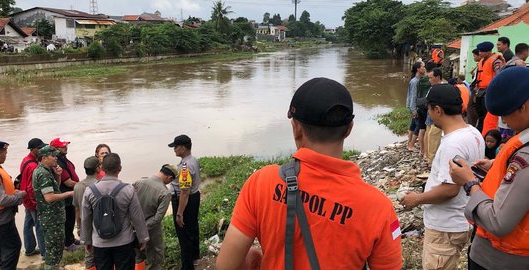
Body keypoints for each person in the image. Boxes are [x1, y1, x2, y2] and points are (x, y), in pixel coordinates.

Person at [216, 78, 402, 270]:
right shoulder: (379, 208)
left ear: (296, 128)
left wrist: (254, 260)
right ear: (349, 129)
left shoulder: (261, 182)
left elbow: (225, 265)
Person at [449, 67, 529, 269]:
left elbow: (498, 222)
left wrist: (470, 184)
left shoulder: (525, 156)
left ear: (524, 106)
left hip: (502, 259)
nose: (504, 122)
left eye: (506, 114)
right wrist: (496, 168)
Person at [401, 84, 484, 269]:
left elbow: (450, 189)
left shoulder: (452, 143)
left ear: (438, 110)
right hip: (460, 220)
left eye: (429, 109)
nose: (428, 114)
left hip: (445, 227)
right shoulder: (473, 132)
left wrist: (417, 199)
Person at [81, 153, 149, 270]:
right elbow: (137, 217)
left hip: (99, 243)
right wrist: (143, 238)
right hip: (124, 242)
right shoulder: (128, 190)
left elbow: (86, 218)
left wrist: (86, 240)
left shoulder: (89, 191)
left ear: (102, 168)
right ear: (120, 168)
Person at [33, 145, 75, 270]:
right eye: (53, 156)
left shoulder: (44, 170)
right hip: (51, 218)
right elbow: (49, 197)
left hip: (52, 217)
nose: (56, 158)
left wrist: (58, 176)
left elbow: (53, 188)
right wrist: (70, 193)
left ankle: (55, 266)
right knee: (53, 248)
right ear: (44, 158)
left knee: (56, 246)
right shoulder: (43, 174)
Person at [0, 141, 25, 270]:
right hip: (0, 218)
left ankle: (2, 266)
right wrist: (20, 196)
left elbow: (1, 192)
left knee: (2, 247)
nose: (6, 156)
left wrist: (14, 192)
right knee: (13, 247)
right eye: (5, 153)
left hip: (0, 217)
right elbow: (1, 200)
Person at [133, 164, 176, 270]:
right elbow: (157, 219)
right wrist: (144, 229)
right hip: (151, 231)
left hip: (132, 228)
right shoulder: (165, 193)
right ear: (169, 178)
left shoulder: (138, 182)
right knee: (155, 258)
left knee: (137, 256)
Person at [168, 135, 202, 270]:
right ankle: (194, 257)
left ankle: (187, 266)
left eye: (175, 147)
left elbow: (184, 192)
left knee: (184, 234)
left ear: (182, 148)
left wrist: (180, 213)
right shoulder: (193, 160)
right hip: (195, 197)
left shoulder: (185, 167)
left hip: (185, 201)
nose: (174, 149)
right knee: (192, 227)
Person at [50, 137, 80, 251]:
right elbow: (67, 181)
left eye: (65, 145)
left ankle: (71, 239)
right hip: (65, 195)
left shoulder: (63, 159)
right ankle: (68, 243)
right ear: (56, 149)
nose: (65, 147)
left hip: (70, 194)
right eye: (62, 146)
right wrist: (82, 187)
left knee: (71, 219)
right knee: (67, 220)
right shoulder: (57, 163)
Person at [73, 156, 101, 270]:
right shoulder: (100, 185)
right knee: (101, 254)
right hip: (99, 224)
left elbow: (77, 209)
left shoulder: (78, 186)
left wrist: (79, 227)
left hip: (85, 224)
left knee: (89, 255)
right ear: (98, 168)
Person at [21, 138, 47, 258]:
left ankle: (29, 248)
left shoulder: (25, 160)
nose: (42, 149)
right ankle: (44, 253)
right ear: (33, 149)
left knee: (28, 223)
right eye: (39, 148)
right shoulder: (33, 166)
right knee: (40, 226)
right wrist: (37, 204)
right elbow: (31, 188)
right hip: (32, 201)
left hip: (25, 198)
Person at [474, 41, 505, 134]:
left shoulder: (496, 61)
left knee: (488, 117)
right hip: (480, 92)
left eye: (481, 51)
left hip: (488, 92)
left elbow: (499, 78)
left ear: (488, 51)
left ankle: (487, 135)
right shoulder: (482, 61)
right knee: (480, 117)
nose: (479, 53)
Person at [425, 68, 445, 162]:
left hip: (437, 118)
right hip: (430, 116)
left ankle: (432, 160)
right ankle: (429, 157)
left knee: (434, 137)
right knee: (429, 136)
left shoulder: (443, 88)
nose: (429, 80)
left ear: (437, 77)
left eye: (431, 78)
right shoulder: (432, 87)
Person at [407, 61, 425, 150]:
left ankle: (408, 143)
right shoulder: (415, 82)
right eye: (423, 67)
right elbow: (413, 96)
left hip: (413, 106)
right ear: (418, 69)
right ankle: (411, 145)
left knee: (413, 125)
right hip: (416, 107)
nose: (424, 68)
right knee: (418, 127)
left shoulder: (415, 80)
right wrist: (414, 110)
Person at [468, 48, 481, 127]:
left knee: (471, 107)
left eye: (474, 56)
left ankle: (472, 125)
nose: (474, 58)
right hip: (475, 87)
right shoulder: (479, 64)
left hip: (477, 89)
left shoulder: (481, 65)